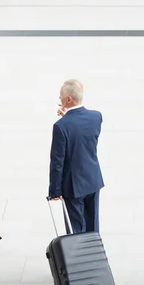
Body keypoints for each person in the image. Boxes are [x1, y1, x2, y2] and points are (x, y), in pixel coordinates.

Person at [48, 79, 105, 234]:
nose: (59, 99)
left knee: (76, 230)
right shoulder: (96, 117)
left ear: (68, 99)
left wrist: (54, 192)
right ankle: (94, 254)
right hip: (93, 180)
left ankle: (79, 257)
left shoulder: (61, 126)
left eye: (60, 96)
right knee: (93, 227)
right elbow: (80, 133)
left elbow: (57, 162)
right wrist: (67, 116)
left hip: (73, 186)